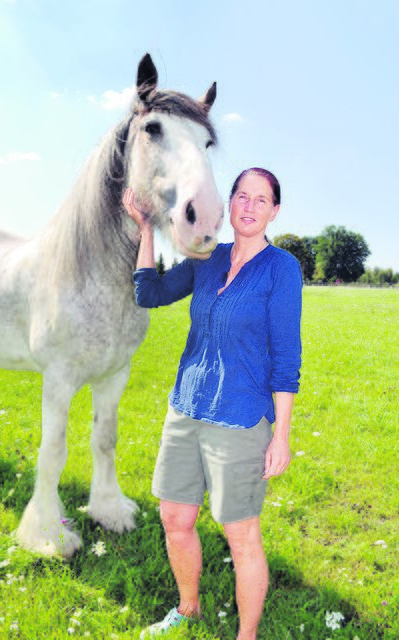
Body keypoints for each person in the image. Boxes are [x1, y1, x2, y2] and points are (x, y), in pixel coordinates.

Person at [122, 167, 302, 640]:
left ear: (274, 211)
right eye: (242, 196)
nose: (248, 206)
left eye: (260, 200)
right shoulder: (207, 258)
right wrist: (145, 230)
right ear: (229, 204)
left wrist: (281, 435)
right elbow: (150, 292)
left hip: (240, 421)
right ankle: (188, 608)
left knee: (241, 536)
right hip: (185, 409)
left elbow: (286, 359)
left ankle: (247, 635)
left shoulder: (281, 269)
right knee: (174, 518)